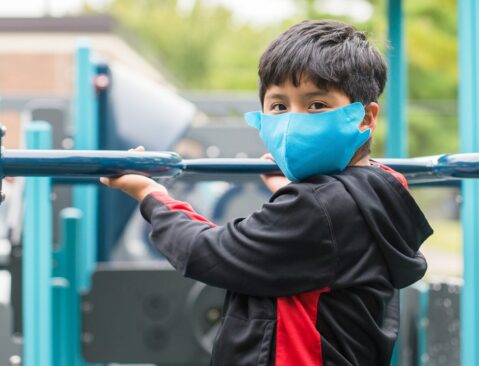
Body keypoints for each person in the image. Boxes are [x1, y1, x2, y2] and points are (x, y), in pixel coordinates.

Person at [101, 19, 433, 366]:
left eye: (316, 105)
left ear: (365, 117)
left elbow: (208, 252)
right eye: (278, 106)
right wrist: (297, 191)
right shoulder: (378, 189)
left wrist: (151, 195)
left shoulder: (319, 207)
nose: (292, 121)